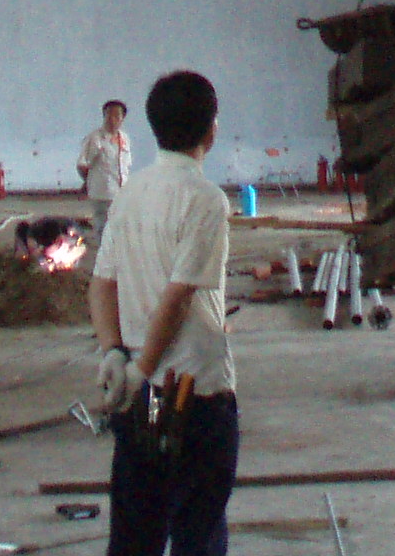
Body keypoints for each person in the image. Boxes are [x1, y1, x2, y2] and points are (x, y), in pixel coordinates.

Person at [89, 70, 239, 556]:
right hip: (195, 395)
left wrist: (114, 354)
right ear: (211, 130)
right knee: (198, 534)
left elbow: (102, 283)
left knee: (135, 536)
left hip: (139, 400)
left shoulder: (130, 192)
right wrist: (142, 367)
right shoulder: (206, 199)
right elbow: (177, 298)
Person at [79, 99, 133, 259]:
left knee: (120, 228)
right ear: (104, 116)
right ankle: (104, 261)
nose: (112, 119)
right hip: (102, 191)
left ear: (122, 118)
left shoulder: (124, 138)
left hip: (121, 191)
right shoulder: (95, 138)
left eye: (117, 116)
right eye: (109, 115)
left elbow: (126, 165)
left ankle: (116, 259)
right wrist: (89, 182)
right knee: (103, 228)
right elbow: (82, 164)